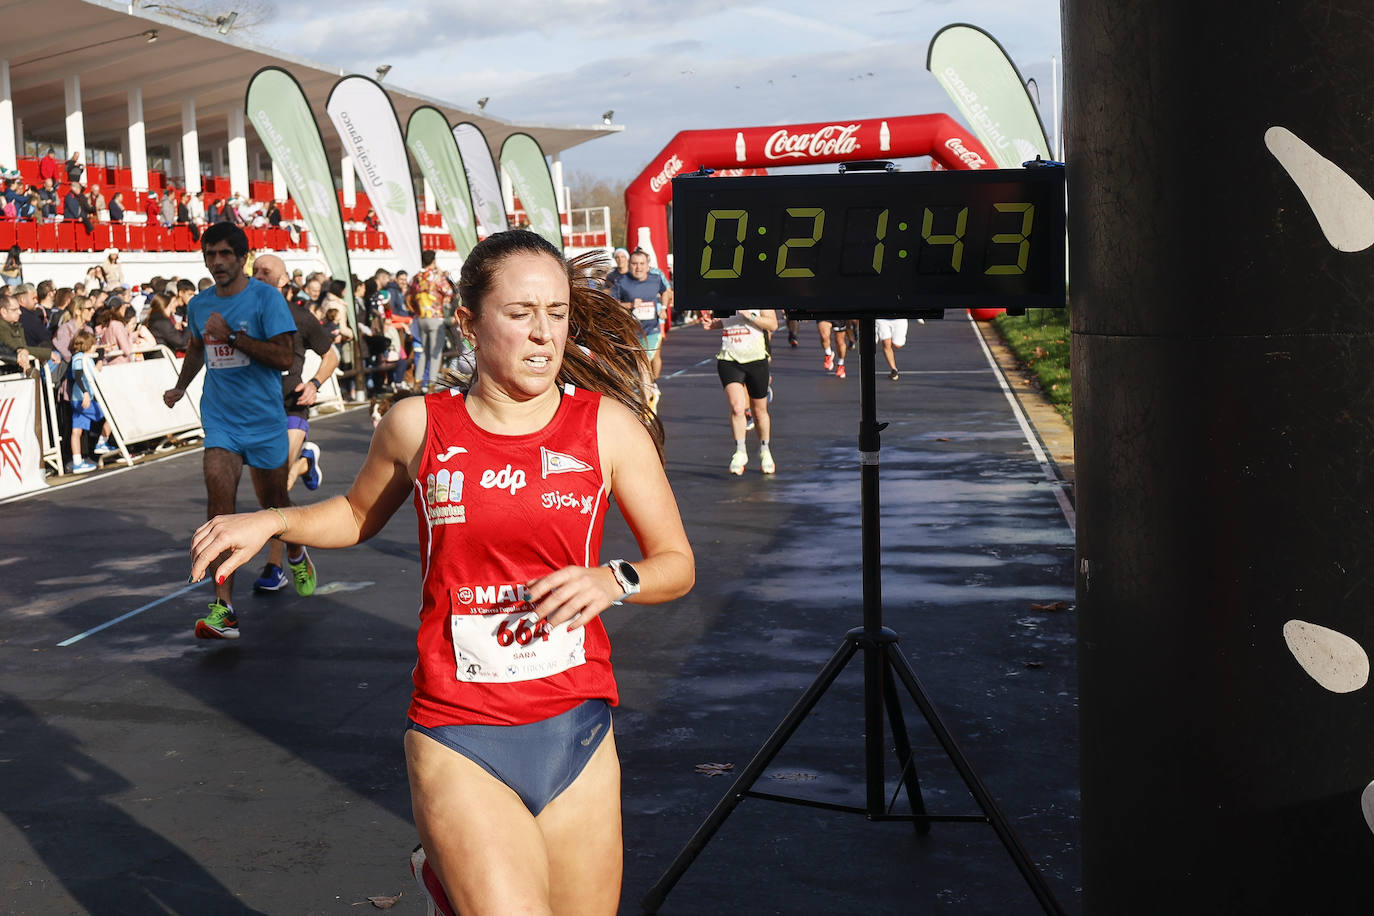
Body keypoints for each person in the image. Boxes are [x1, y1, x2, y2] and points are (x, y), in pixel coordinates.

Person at [187, 230, 694, 916]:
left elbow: (676, 564)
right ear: (468, 323)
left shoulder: (607, 428)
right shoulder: (417, 425)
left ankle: (443, 890)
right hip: (460, 730)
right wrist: (274, 520)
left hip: (577, 726)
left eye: (557, 313)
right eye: (520, 314)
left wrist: (613, 580)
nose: (543, 334)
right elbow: (355, 514)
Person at [164, 223, 305, 639]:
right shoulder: (200, 304)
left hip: (264, 421)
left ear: (242, 257)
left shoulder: (266, 298)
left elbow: (283, 356)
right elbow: (196, 347)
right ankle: (223, 610)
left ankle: (296, 551)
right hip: (221, 420)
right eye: (211, 255)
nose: (218, 262)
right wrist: (180, 385)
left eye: (226, 254)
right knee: (219, 507)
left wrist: (234, 338)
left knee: (274, 503)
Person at [246, 252, 338, 593]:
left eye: (266, 271)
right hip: (258, 411)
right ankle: (304, 464)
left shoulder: (301, 317)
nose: (258, 276)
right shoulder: (247, 319)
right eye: (254, 271)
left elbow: (331, 355)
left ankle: (276, 565)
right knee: (271, 489)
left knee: (273, 487)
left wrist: (314, 384)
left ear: (284, 281)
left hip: (291, 408)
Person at [702, 308, 779, 475]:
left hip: (756, 359)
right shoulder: (725, 299)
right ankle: (740, 451)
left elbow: (773, 325)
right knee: (737, 407)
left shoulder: (760, 299)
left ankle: (765, 451)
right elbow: (725, 322)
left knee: (759, 411)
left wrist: (750, 315)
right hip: (729, 358)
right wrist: (713, 324)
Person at [610, 249, 671, 409]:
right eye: (635, 264)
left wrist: (664, 307)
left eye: (642, 264)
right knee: (634, 370)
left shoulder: (656, 279)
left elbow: (666, 292)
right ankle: (648, 391)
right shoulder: (622, 282)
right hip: (629, 333)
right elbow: (611, 303)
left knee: (643, 364)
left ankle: (646, 406)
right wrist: (629, 305)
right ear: (630, 265)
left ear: (647, 265)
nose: (638, 267)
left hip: (651, 331)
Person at [67, 329, 119, 473]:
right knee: (112, 414)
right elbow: (78, 375)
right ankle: (102, 442)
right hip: (82, 400)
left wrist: (101, 354)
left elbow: (94, 368)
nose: (95, 346)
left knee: (76, 431)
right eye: (93, 344)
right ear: (86, 346)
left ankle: (77, 462)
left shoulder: (86, 358)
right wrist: (85, 393)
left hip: (77, 400)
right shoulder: (79, 359)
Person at [407, 249, 453, 390]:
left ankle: (418, 381)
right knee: (435, 352)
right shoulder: (437, 276)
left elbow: (411, 295)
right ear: (433, 261)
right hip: (435, 317)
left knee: (423, 351)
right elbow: (449, 291)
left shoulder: (416, 277)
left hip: (421, 317)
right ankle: (432, 383)